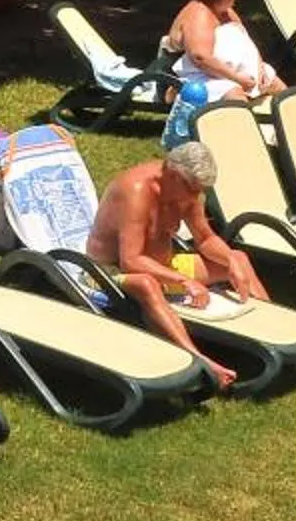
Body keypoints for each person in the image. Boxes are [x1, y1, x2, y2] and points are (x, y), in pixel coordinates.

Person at [88, 144, 268, 390]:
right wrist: (184, 281)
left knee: (240, 259)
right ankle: (199, 360)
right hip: (109, 272)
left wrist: (231, 260)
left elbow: (204, 238)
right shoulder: (135, 191)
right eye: (193, 189)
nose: (196, 197)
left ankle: (269, 332)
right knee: (146, 283)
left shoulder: (186, 191)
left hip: (165, 266)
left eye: (200, 190)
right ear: (172, 174)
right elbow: (131, 260)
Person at [160, 0, 284, 147]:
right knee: (233, 93)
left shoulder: (226, 12)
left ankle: (285, 133)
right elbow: (201, 58)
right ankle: (247, 143)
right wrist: (239, 79)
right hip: (203, 77)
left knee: (281, 90)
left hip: (236, 71)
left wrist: (259, 68)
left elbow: (246, 41)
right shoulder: (199, 14)